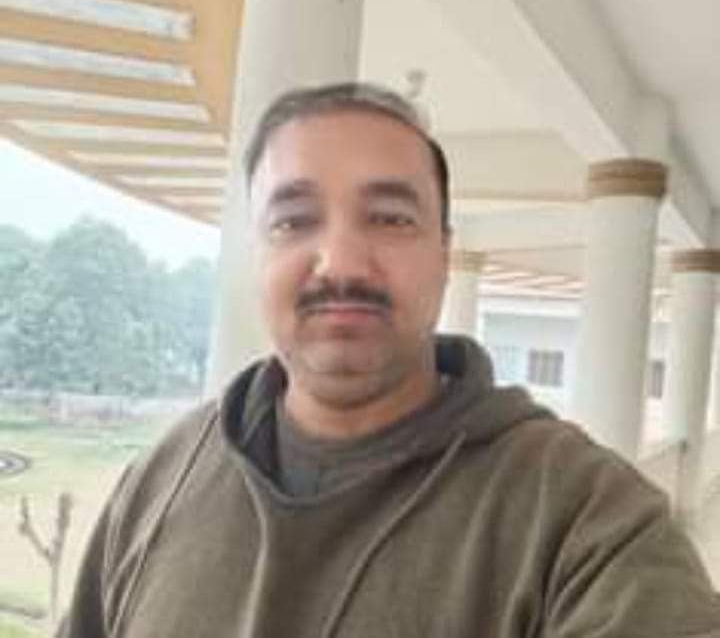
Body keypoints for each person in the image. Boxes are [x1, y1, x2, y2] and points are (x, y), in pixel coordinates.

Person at [60, 83, 720, 637]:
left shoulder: (584, 517)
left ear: (443, 254)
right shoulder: (166, 473)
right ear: (255, 255)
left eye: (391, 218)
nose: (341, 263)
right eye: (294, 220)